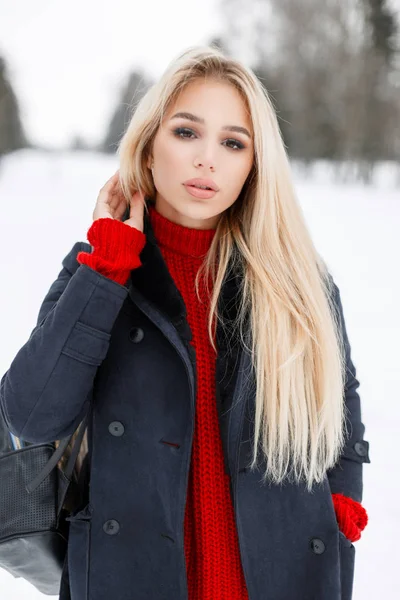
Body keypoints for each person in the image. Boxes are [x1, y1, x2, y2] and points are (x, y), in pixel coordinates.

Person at [0, 45, 370, 600]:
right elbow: (32, 413)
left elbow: (340, 404)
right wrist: (107, 268)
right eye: (186, 133)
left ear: (254, 165)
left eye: (232, 142)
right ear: (148, 148)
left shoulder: (297, 282)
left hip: (284, 572)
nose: (208, 160)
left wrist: (340, 505)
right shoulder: (99, 271)